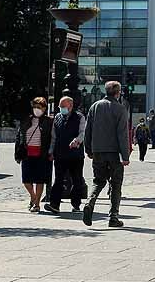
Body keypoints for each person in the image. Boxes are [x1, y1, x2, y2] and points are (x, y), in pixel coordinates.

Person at [82, 80, 130, 227]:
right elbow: (122, 134)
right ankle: (113, 217)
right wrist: (125, 156)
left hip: (98, 151)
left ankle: (90, 202)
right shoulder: (120, 109)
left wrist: (88, 149)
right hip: (114, 153)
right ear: (118, 93)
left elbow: (87, 130)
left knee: (98, 180)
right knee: (116, 184)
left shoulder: (94, 106)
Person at [46, 96, 88, 214]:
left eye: (63, 106)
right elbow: (54, 136)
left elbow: (82, 132)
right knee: (58, 179)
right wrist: (51, 151)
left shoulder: (79, 117)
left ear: (70, 106)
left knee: (76, 180)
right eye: (60, 106)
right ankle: (54, 204)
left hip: (75, 155)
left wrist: (77, 141)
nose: (61, 109)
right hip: (60, 154)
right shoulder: (57, 118)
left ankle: (76, 205)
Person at [16, 96, 53, 212]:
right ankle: (33, 196)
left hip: (42, 154)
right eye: (35, 107)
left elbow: (52, 138)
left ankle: (36, 204)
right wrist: (17, 153)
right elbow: (19, 137)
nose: (36, 109)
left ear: (44, 108)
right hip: (27, 153)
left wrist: (51, 152)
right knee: (26, 180)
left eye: (39, 107)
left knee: (39, 180)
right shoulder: (27, 120)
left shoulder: (48, 121)